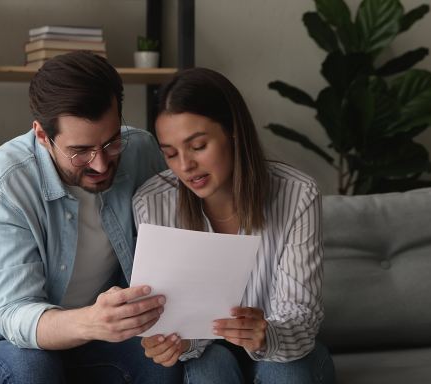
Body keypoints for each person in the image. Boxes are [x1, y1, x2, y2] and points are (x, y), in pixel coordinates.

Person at [0, 51, 183, 384]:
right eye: (80, 151)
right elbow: (13, 315)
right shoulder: (1, 185)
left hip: (92, 346)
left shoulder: (141, 152)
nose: (101, 164)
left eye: (110, 143)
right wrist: (93, 321)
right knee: (32, 368)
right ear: (41, 135)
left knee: (163, 360)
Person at [132, 67, 336, 383]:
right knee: (209, 371)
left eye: (198, 146)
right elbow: (171, 322)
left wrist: (266, 333)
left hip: (283, 350)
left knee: (287, 373)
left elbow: (302, 318)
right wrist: (173, 342)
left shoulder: (297, 193)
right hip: (208, 353)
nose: (185, 166)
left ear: (234, 132)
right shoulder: (153, 202)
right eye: (170, 154)